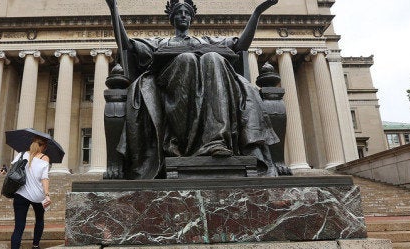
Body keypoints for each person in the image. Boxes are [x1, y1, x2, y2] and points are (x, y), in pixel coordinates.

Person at [105, 0, 280, 179]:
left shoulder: (206, 41)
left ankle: (216, 142)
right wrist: (114, 10)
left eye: (187, 13)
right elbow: (127, 46)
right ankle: (180, 145)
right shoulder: (160, 42)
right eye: (179, 12)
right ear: (172, 18)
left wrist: (257, 13)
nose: (183, 15)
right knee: (186, 59)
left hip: (208, 88)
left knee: (213, 57)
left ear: (191, 18)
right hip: (170, 84)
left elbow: (240, 45)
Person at [8, 136, 51, 249]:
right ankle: (35, 247)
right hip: (38, 195)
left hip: (20, 194)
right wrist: (47, 194)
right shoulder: (44, 158)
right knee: (39, 219)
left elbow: (12, 170)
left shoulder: (20, 155)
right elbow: (44, 178)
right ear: (43, 147)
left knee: (18, 227)